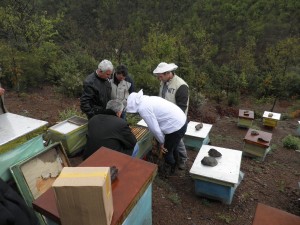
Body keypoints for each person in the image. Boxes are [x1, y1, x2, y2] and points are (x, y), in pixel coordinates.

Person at [127, 90, 188, 176]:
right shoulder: (148, 99)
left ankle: (169, 170)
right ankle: (176, 164)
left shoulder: (143, 108)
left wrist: (162, 142)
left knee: (166, 151)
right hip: (181, 121)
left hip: (175, 127)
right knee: (173, 146)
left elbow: (154, 129)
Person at [153, 62, 189, 170]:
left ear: (168, 73)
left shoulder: (181, 86)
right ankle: (174, 158)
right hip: (165, 117)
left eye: (160, 76)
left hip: (177, 120)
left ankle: (183, 159)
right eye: (158, 76)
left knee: (177, 140)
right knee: (171, 141)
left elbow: (182, 108)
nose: (159, 79)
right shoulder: (163, 82)